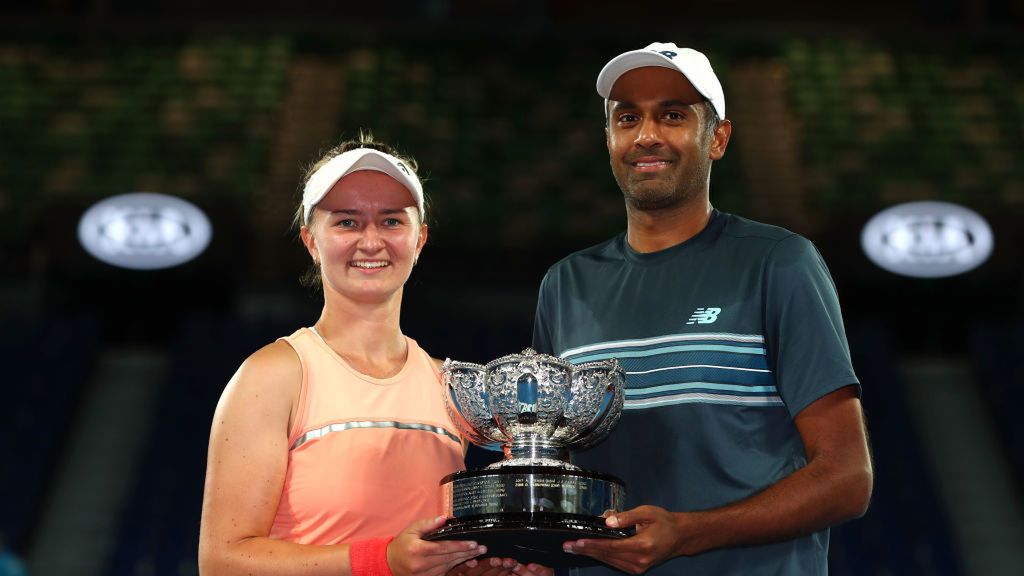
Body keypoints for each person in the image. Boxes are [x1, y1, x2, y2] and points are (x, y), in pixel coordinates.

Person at [531, 43, 874, 575]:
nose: (646, 135)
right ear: (609, 140)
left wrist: (688, 534)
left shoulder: (779, 262)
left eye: (672, 115)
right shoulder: (565, 283)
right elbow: (554, 466)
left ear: (717, 138)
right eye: (627, 118)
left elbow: (848, 478)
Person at [199, 134, 542, 576]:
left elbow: (420, 556)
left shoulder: (452, 389)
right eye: (346, 222)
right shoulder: (273, 376)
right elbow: (222, 562)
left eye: (392, 221)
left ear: (420, 239)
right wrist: (380, 560)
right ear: (310, 240)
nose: (371, 240)